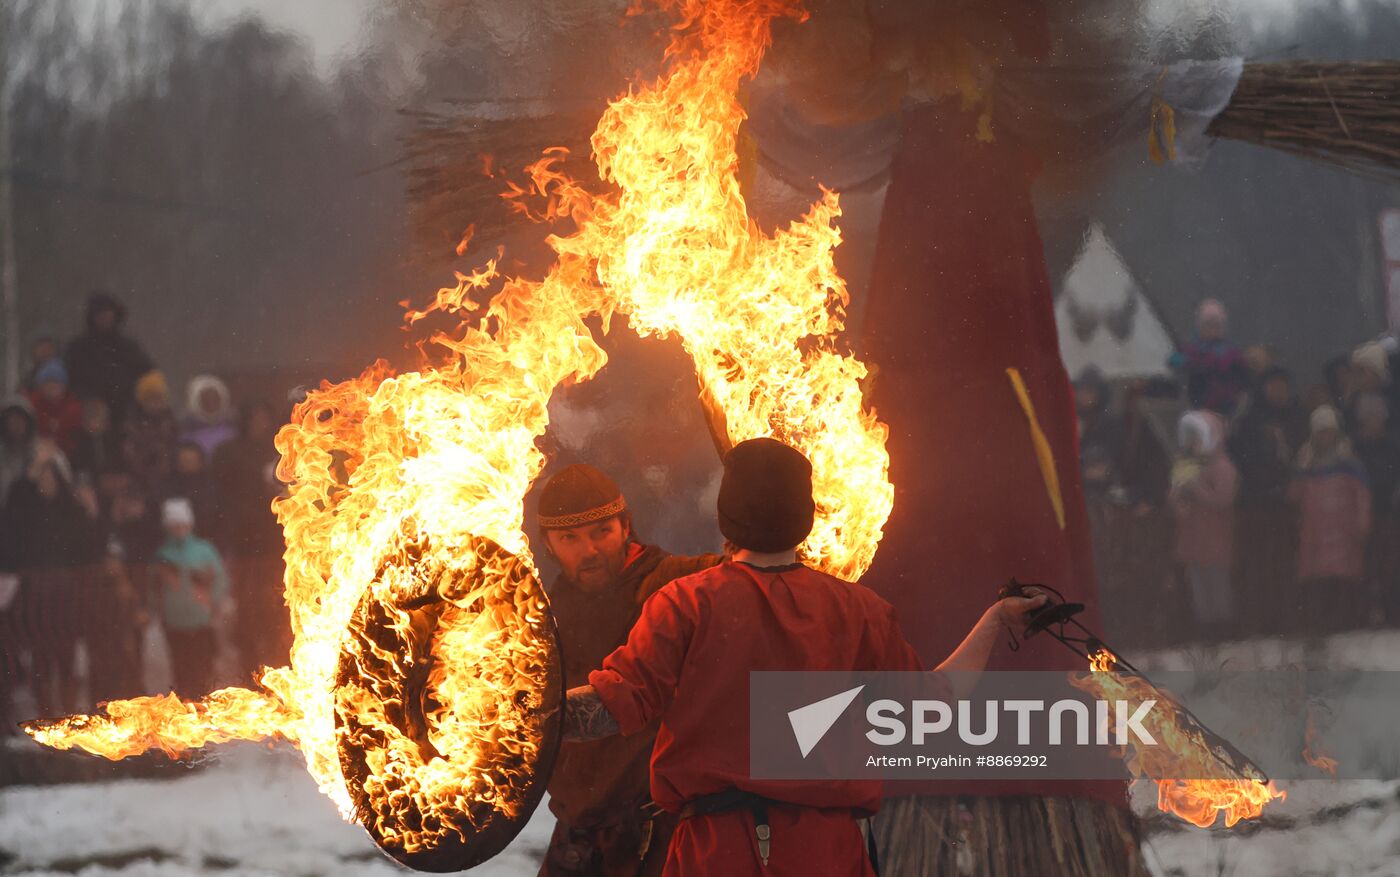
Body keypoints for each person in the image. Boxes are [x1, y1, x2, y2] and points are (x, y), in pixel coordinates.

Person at [560, 439, 1046, 877]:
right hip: (826, 854)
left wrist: (520, 713)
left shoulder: (684, 604)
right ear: (805, 516)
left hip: (716, 854)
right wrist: (996, 621)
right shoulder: (859, 609)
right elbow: (938, 703)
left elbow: (608, 708)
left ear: (726, 518)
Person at [536, 464, 721, 877]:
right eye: (570, 538)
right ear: (548, 545)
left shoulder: (677, 585)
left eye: (602, 531)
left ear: (625, 527)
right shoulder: (544, 616)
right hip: (577, 834)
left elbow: (746, 576)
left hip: (659, 832)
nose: (589, 551)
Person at [0, 457, 104, 715]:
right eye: (41, 479)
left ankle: (68, 712)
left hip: (65, 593)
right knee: (41, 658)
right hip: (37, 593)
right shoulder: (28, 512)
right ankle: (46, 714)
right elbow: (12, 514)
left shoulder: (70, 511)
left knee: (66, 656)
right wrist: (29, 476)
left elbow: (89, 547)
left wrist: (91, 514)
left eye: (50, 477)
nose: (46, 483)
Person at [1229, 367, 1307, 636]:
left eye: (1282, 385)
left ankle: (1288, 619)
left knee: (1286, 565)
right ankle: (1257, 621)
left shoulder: (1298, 416)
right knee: (1257, 565)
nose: (1278, 391)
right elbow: (1239, 455)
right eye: (1273, 385)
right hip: (1256, 503)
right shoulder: (1250, 419)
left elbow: (1303, 456)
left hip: (1288, 504)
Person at [211, 401, 288, 674]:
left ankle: (279, 663)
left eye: (263, 417)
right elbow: (221, 493)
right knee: (248, 606)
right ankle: (250, 667)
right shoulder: (230, 451)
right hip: (245, 540)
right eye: (254, 418)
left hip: (275, 538)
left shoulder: (277, 449)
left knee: (278, 601)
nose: (259, 424)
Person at [1290, 405, 1371, 635]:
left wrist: (1362, 524)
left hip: (1343, 533)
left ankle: (1344, 623)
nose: (1325, 436)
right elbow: (1294, 496)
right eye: (1320, 431)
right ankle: (1319, 625)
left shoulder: (1350, 464)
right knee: (1317, 582)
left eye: (1328, 431)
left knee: (1342, 580)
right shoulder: (1306, 462)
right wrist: (1300, 469)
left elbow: (1362, 496)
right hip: (1313, 533)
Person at [1169, 410, 1238, 639]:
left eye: (1196, 437)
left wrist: (1195, 486)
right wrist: (1176, 494)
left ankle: (1223, 628)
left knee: (1217, 583)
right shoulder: (1186, 466)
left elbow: (1223, 499)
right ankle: (1204, 628)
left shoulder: (1222, 466)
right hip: (1192, 536)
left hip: (1215, 536)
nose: (1191, 443)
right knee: (1198, 584)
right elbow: (1176, 502)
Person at [154, 497, 230, 698]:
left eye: (182, 524)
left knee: (204, 668)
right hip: (175, 624)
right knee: (181, 670)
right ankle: (187, 711)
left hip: (202, 622)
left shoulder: (204, 551)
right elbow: (155, 589)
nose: (179, 529)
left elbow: (219, 580)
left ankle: (204, 707)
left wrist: (216, 607)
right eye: (174, 525)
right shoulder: (163, 554)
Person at [64, 291, 155, 428]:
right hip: (90, 418)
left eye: (108, 312)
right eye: (100, 314)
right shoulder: (78, 349)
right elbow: (70, 382)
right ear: (92, 317)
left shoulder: (128, 347)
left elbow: (148, 375)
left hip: (126, 415)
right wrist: (88, 399)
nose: (105, 317)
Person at [1351, 393, 1400, 626]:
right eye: (1367, 417)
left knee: (1390, 565)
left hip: (1389, 512)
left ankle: (1391, 612)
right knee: (1365, 566)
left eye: (1376, 416)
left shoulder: (1393, 446)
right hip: (1360, 514)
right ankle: (1364, 613)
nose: (1372, 421)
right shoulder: (1355, 448)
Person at [1168, 299, 1248, 417]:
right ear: (1200, 327)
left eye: (1216, 325)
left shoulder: (1230, 351)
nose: (1212, 329)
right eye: (1208, 325)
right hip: (1197, 400)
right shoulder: (1193, 347)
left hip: (1223, 404)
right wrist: (1190, 362)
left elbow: (1236, 370)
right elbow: (1174, 360)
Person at [124, 370, 179, 491]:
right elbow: (131, 453)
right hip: (142, 479)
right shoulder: (133, 425)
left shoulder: (171, 422)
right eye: (150, 398)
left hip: (170, 478)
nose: (155, 403)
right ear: (142, 400)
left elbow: (176, 447)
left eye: (158, 398)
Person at [27, 358, 83, 453]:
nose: (52, 387)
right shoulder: (32, 404)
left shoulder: (74, 408)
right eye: (48, 382)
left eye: (57, 382)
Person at [180, 375, 238, 459]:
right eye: (206, 399)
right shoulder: (187, 432)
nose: (211, 403)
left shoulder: (233, 429)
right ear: (196, 401)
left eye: (215, 399)